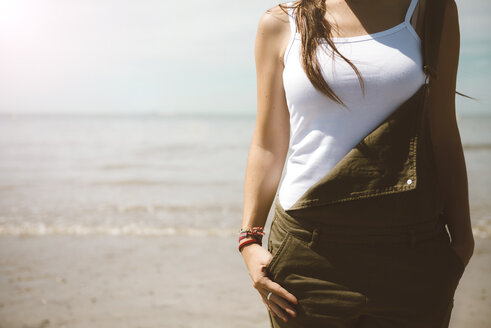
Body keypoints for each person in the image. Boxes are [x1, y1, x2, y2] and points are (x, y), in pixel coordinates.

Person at [239, 0, 474, 327]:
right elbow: (267, 143)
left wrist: (463, 242)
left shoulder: (430, 10)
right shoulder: (281, 23)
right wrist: (249, 240)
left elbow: (444, 131)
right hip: (305, 251)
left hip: (411, 251)